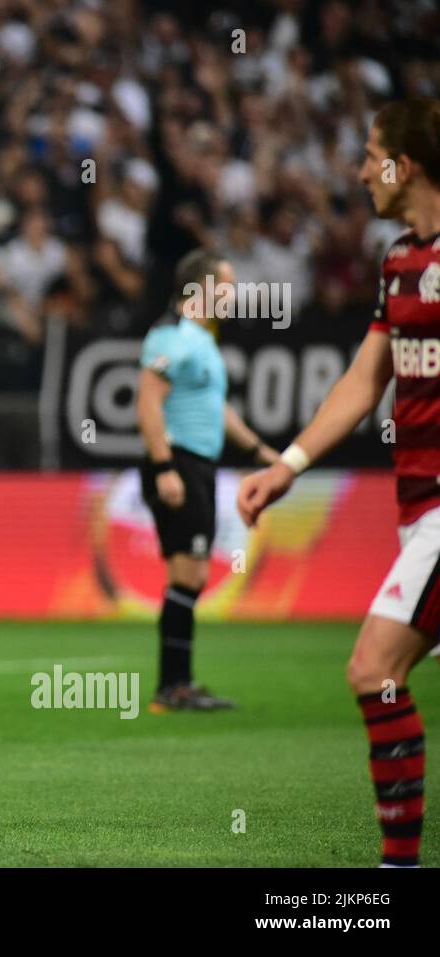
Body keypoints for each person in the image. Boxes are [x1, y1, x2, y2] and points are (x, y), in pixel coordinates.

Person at [239, 98, 440, 867]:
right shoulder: (399, 261)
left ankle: (396, 871)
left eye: (370, 154)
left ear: (406, 163)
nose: (360, 171)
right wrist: (287, 465)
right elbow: (364, 379)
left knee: (372, 669)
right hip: (415, 506)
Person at [136, 248, 278, 712]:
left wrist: (259, 451)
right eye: (226, 285)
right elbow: (147, 402)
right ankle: (172, 687)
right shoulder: (172, 336)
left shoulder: (201, 338)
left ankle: (179, 684)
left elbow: (216, 409)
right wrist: (164, 468)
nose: (232, 295)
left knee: (191, 574)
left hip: (197, 464)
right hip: (178, 461)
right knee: (188, 572)